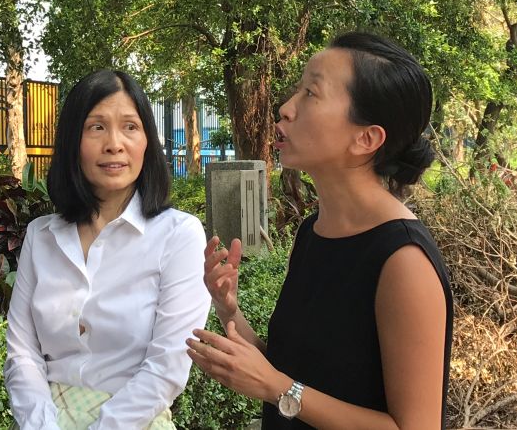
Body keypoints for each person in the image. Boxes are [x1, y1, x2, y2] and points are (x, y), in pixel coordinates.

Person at [187, 32, 453, 429]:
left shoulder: (404, 262)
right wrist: (229, 309)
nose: (285, 108)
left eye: (311, 93)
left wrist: (277, 388)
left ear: (366, 138)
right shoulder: (313, 232)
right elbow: (291, 373)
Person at [4, 70, 212, 429]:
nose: (114, 143)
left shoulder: (179, 235)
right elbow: (22, 353)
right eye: (97, 127)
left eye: (130, 127)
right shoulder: (41, 236)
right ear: (73, 141)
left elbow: (168, 365)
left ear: (147, 140)